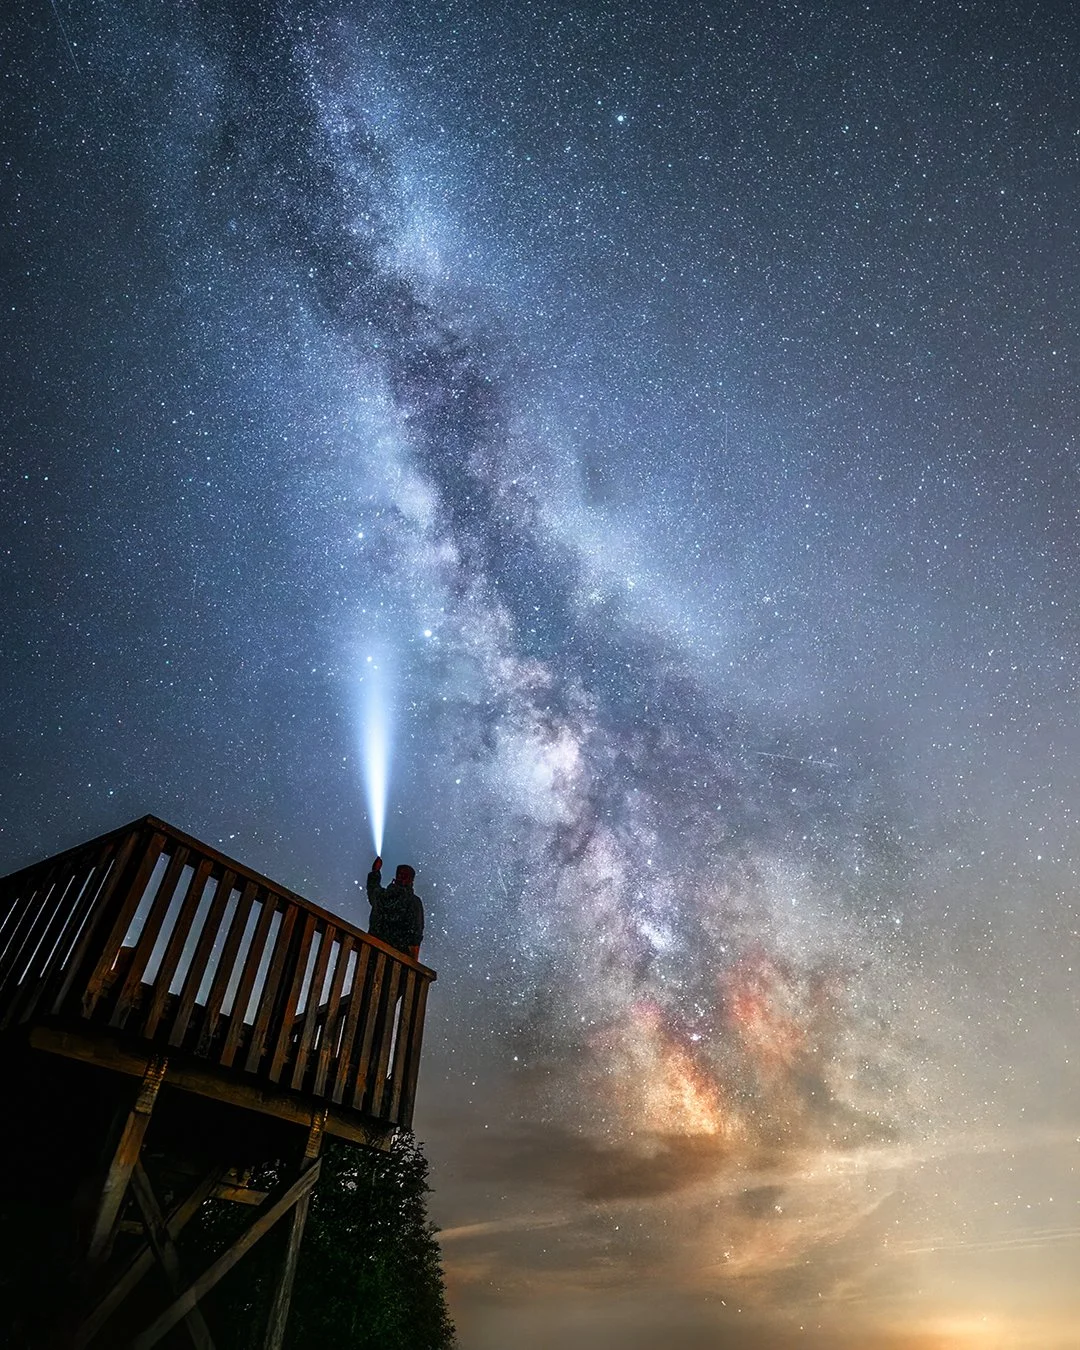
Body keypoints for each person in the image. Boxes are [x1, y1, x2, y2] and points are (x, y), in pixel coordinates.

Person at [366, 856, 424, 960]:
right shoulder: (414, 902)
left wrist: (375, 871)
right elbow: (416, 935)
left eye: (404, 875)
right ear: (412, 881)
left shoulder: (383, 897)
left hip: (372, 953)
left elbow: (373, 890)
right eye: (400, 874)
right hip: (397, 960)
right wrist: (414, 964)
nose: (401, 877)